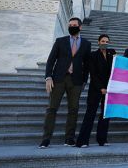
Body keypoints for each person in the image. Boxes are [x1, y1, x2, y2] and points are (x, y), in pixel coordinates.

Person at [39, 17, 91, 149]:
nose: (71, 26)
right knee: (52, 109)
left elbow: (87, 64)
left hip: (76, 81)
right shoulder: (60, 41)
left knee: (73, 110)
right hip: (58, 79)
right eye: (70, 25)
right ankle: (46, 139)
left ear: (80, 27)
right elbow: (51, 60)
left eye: (74, 25)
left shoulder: (86, 44)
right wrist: (48, 77)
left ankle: (69, 138)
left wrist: (84, 80)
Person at [75, 34, 116, 148]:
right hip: (95, 89)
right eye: (103, 41)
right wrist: (101, 88)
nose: (105, 43)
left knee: (105, 115)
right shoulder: (92, 55)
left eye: (107, 41)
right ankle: (82, 141)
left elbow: (118, 65)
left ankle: (102, 139)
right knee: (90, 114)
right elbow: (93, 74)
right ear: (98, 42)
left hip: (109, 89)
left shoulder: (111, 53)